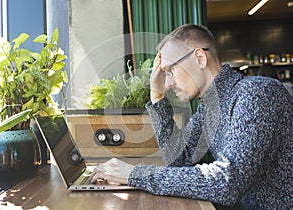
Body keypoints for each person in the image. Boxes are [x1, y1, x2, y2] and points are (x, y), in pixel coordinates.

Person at [90, 24, 292, 210]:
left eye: (170, 70)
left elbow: (226, 182)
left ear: (200, 58)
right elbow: (178, 157)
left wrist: (134, 174)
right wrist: (157, 97)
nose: (167, 82)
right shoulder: (210, 107)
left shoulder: (257, 94)